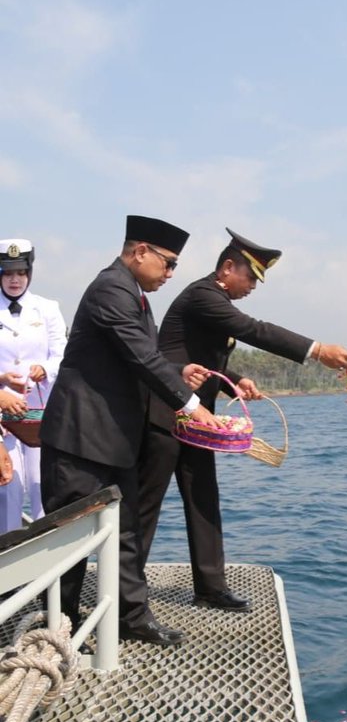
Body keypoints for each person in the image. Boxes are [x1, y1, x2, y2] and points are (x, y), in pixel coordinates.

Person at [138, 227, 347, 612]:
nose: (255, 286)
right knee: (146, 504)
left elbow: (206, 357)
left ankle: (210, 588)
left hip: (197, 419)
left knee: (204, 499)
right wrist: (317, 349)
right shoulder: (204, 295)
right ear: (227, 267)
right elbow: (253, 329)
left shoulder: (212, 298)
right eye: (252, 276)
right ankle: (126, 593)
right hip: (165, 414)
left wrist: (235, 381)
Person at [40, 215, 223, 647]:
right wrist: (193, 406)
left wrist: (179, 370)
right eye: (168, 263)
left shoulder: (134, 294)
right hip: (79, 440)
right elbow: (141, 357)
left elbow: (138, 358)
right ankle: (59, 627)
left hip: (115, 442)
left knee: (126, 533)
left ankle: (132, 617)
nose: (172, 273)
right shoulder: (111, 289)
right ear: (140, 252)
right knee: (68, 540)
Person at [0, 239, 67, 533]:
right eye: (7, 273)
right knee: (7, 488)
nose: (15, 280)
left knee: (44, 485)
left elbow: (62, 354)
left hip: (40, 412)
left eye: (21, 273)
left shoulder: (47, 308)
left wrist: (46, 369)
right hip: (3, 415)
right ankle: (7, 568)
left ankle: (46, 568)